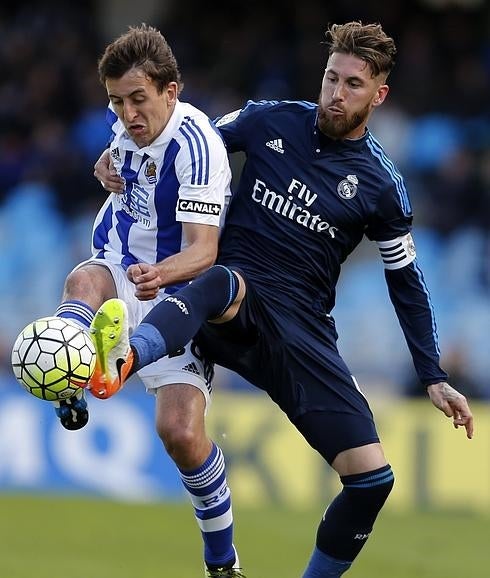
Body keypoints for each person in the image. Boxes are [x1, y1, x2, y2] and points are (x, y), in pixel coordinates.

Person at [93, 21, 474, 577]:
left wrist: (432, 373)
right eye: (330, 78)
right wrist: (120, 150)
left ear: (379, 95)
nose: (336, 93)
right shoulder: (271, 119)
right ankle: (124, 356)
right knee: (221, 280)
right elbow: (180, 134)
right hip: (231, 296)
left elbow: (406, 283)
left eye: (352, 85)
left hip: (302, 329)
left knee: (372, 480)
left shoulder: (382, 185)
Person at [45, 24, 244, 578]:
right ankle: (72, 380)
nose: (128, 114)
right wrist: (104, 165)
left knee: (180, 434)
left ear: (171, 91)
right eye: (116, 101)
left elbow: (204, 251)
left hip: (177, 288)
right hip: (117, 261)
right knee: (83, 284)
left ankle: (223, 563)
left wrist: (160, 273)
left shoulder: (196, 144)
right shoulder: (125, 125)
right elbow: (118, 158)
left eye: (138, 99)